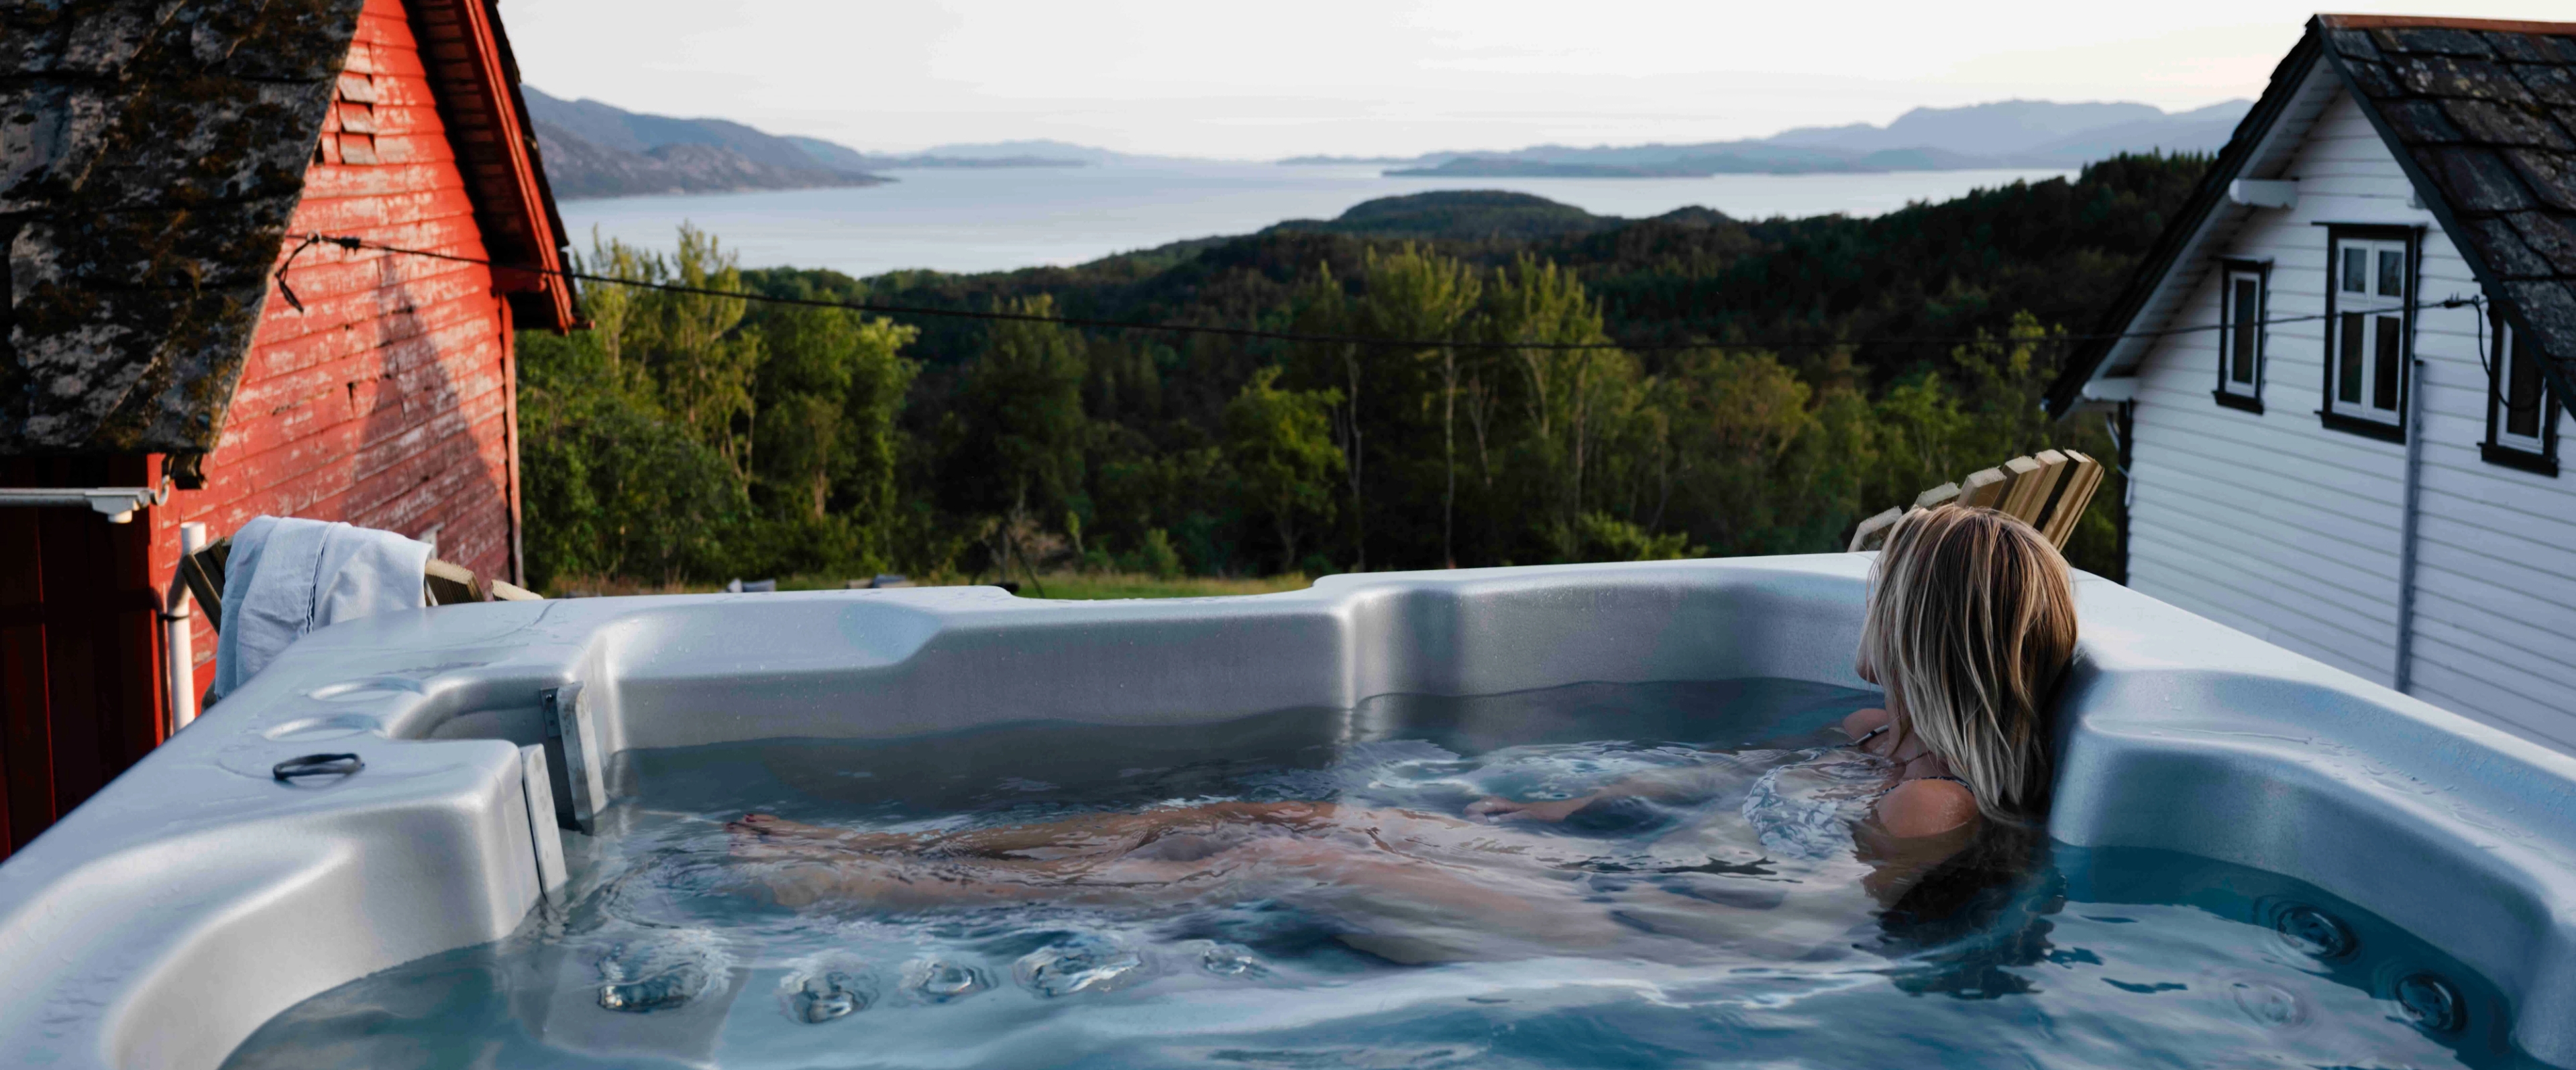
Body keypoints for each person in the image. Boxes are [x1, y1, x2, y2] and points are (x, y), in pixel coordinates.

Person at [724, 504, 2080, 960]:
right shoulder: (1869, 743)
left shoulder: (1934, 807)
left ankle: (882, 891)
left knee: (1278, 854)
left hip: (1626, 937)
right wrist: (1548, 821)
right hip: (1609, 882)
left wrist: (1550, 874)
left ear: (1931, 629)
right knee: (1256, 822)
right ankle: (899, 862)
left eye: (1888, 594)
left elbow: (1763, 917)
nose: (1867, 613)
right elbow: (1706, 796)